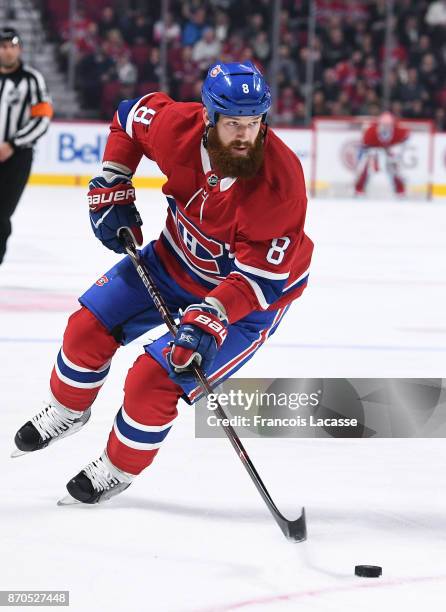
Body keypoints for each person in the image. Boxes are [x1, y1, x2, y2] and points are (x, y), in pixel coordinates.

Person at [12, 62, 314, 505]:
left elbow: (259, 280)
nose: (246, 135)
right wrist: (114, 177)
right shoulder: (177, 126)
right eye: (234, 123)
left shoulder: (279, 183)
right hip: (171, 261)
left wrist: (212, 315)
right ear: (209, 117)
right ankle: (67, 409)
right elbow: (127, 118)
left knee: (154, 380)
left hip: (247, 300)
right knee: (85, 328)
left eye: (255, 123)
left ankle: (116, 468)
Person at [0, 27, 53, 264]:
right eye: (3, 47)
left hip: (17, 158)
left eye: (12, 46)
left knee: (1, 214)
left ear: (19, 49)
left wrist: (13, 143)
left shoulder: (32, 80)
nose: (8, 51)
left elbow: (42, 118)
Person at [354, 111, 409, 196]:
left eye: (388, 125)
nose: (386, 127)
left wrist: (395, 152)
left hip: (389, 151)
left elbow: (406, 137)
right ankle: (359, 189)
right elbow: (364, 147)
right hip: (373, 152)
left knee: (395, 168)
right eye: (384, 125)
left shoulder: (398, 131)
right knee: (366, 167)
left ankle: (400, 190)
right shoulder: (370, 132)